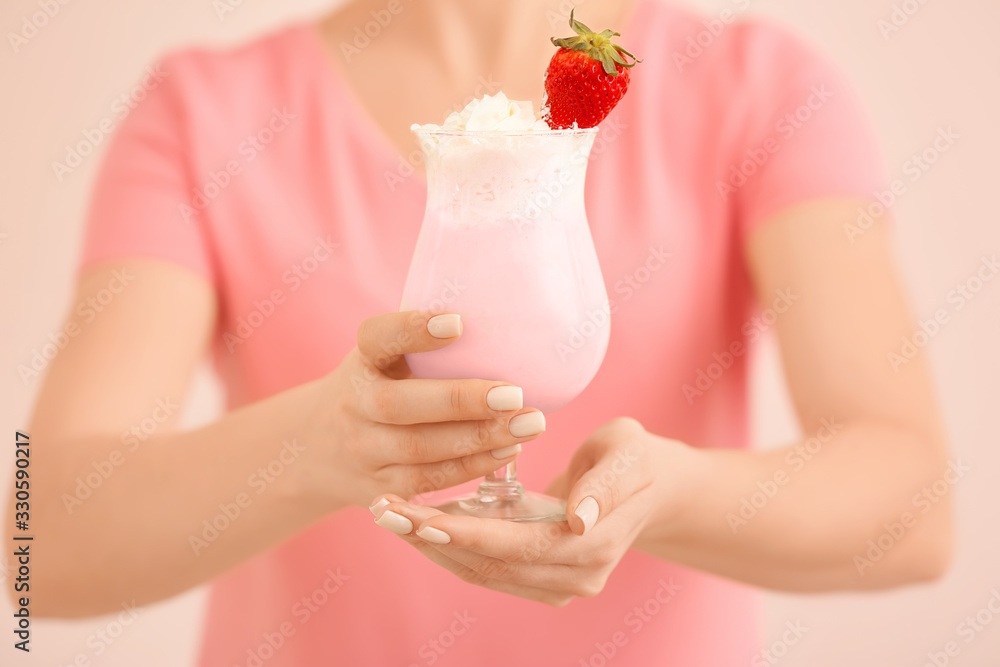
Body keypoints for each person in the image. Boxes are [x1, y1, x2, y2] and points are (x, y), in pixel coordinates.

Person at [10, 0, 952, 664]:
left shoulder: (761, 88)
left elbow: (914, 507)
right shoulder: (205, 113)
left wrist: (667, 496)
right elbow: (30, 542)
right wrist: (315, 445)